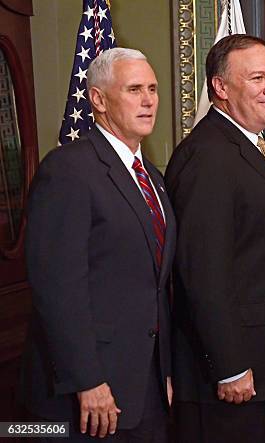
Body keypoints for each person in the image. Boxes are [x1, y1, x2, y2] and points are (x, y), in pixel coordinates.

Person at [165, 34, 265, 443]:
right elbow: (202, 272)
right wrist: (230, 365)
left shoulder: (258, 147)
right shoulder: (208, 156)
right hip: (237, 377)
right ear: (220, 87)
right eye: (257, 78)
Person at [19, 48, 176, 441]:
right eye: (135, 89)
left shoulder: (153, 178)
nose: (148, 100)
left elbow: (155, 285)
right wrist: (87, 380)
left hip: (146, 387)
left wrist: (165, 371)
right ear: (99, 99)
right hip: (87, 393)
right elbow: (58, 288)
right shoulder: (69, 170)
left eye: (153, 89)